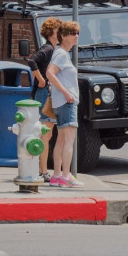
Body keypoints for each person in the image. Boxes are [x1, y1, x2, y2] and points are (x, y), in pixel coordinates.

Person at [46, 20, 83, 188]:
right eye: (72, 33)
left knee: (61, 140)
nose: (76, 36)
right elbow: (49, 74)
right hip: (67, 102)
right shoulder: (61, 54)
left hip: (61, 102)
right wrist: (66, 92)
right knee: (69, 140)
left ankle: (56, 175)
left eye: (77, 33)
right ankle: (66, 175)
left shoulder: (61, 53)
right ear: (63, 36)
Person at [27, 17, 61, 183]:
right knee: (45, 134)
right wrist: (41, 80)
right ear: (52, 32)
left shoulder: (54, 49)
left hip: (47, 93)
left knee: (46, 133)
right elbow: (32, 60)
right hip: (44, 93)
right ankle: (43, 171)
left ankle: (43, 170)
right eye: (58, 30)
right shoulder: (48, 49)